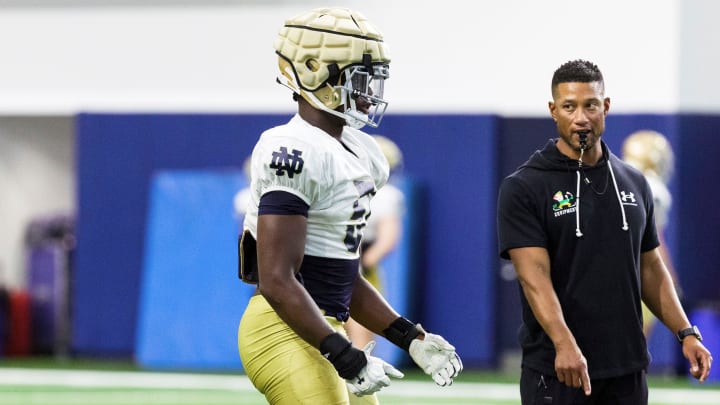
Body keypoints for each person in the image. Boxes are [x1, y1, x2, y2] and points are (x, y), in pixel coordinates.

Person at [237, 7, 462, 405]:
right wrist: (343, 354)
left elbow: (344, 277)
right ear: (314, 71)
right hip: (281, 328)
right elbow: (276, 278)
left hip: (325, 327)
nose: (368, 94)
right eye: (360, 80)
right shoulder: (291, 148)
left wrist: (408, 336)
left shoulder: (362, 152)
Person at [496, 59, 712, 405]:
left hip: (626, 371)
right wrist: (564, 343)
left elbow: (650, 267)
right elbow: (533, 277)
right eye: (569, 106)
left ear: (605, 107)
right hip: (558, 368)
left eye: (590, 105)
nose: (581, 117)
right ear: (554, 111)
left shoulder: (635, 182)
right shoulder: (524, 187)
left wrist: (686, 332)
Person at [345, 135, 406, 349]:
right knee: (361, 324)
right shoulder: (386, 195)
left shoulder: (337, 187)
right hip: (357, 261)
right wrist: (365, 263)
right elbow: (389, 238)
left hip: (327, 258)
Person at [622, 130, 681, 339]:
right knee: (636, 340)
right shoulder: (653, 189)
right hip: (639, 269)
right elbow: (654, 237)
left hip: (617, 267)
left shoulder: (622, 181)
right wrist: (669, 275)